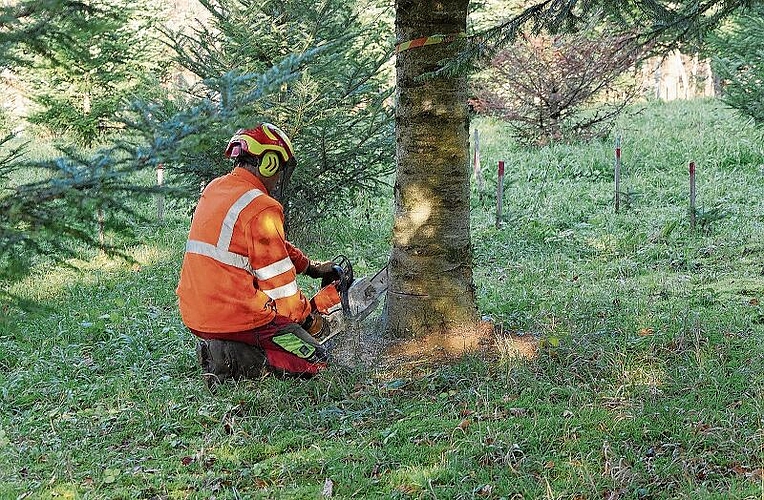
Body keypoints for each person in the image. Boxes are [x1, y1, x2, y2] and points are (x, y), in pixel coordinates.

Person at [176, 123, 339, 389]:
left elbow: (271, 243)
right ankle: (236, 361)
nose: (278, 180)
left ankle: (223, 350)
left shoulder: (216, 189)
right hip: (236, 316)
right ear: (269, 163)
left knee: (279, 337)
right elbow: (282, 292)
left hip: (197, 314)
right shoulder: (261, 206)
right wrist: (309, 320)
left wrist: (310, 267)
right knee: (317, 361)